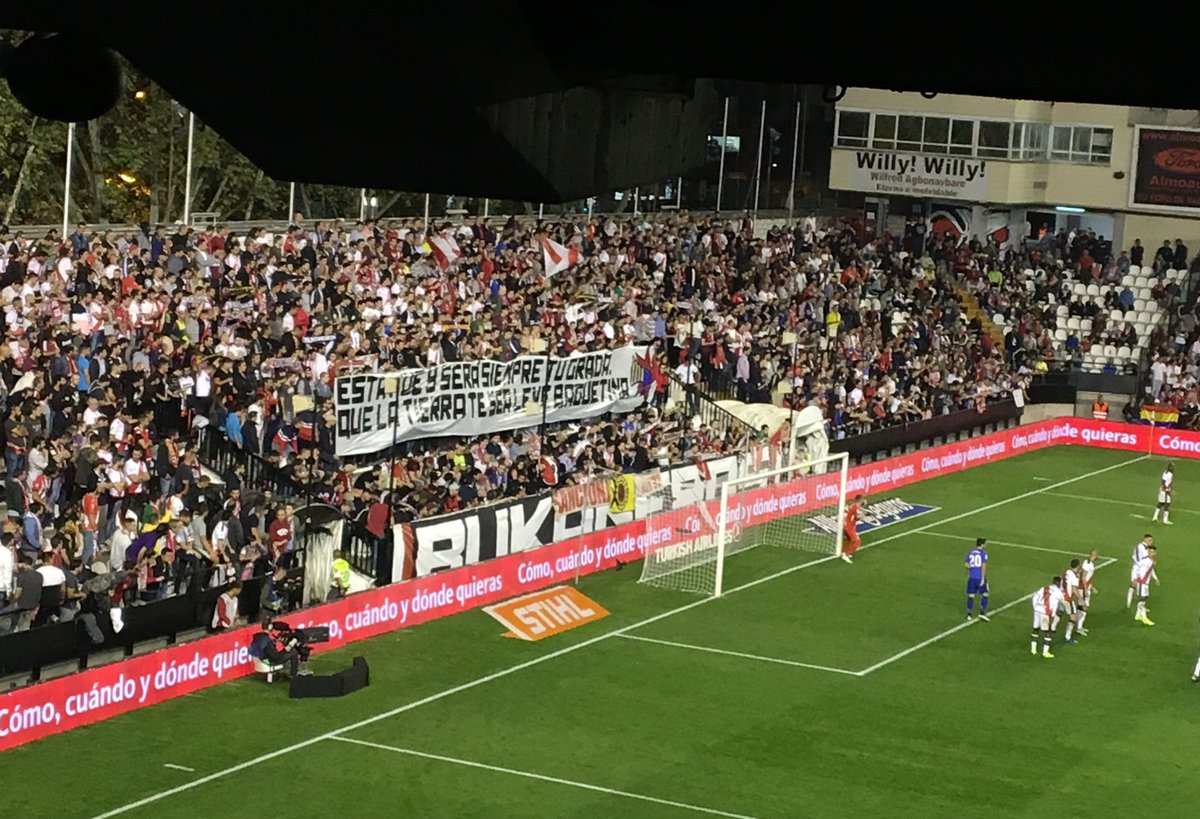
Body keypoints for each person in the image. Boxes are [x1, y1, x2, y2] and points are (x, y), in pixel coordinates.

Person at [1030, 577, 1064, 659]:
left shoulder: (1044, 588)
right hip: (1045, 612)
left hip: (1037, 609)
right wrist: (1052, 616)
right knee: (1048, 631)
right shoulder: (1058, 592)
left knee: (1036, 628)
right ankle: (1045, 652)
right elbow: (1055, 605)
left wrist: (1035, 607)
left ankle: (1033, 649)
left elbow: (1034, 598)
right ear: (1059, 583)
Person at [1132, 545, 1159, 626]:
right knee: (1142, 600)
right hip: (1141, 583)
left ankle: (1137, 615)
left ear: (1155, 553)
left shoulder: (1151, 561)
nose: (1151, 553)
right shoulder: (1144, 560)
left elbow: (1151, 570)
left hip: (1145, 583)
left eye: (1152, 552)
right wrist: (1134, 578)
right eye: (1149, 552)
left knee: (1144, 598)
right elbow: (1135, 567)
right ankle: (1144, 618)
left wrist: (1156, 578)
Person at [964, 537, 990, 621]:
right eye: (985, 543)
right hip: (979, 577)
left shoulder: (971, 552)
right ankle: (982, 612)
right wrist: (983, 578)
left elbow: (966, 564)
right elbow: (983, 566)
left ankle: (969, 614)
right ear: (982, 544)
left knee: (971, 595)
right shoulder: (983, 553)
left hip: (972, 577)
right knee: (985, 594)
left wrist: (971, 567)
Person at [1127, 534, 1153, 610]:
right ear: (1145, 539)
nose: (1151, 542)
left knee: (1142, 587)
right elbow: (1138, 559)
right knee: (1134, 584)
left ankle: (1141, 606)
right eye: (1149, 540)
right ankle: (1128, 603)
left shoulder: (1147, 548)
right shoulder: (1140, 547)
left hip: (1143, 569)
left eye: (1151, 540)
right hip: (1137, 568)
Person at [1077, 549, 1098, 637]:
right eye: (1096, 554)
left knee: (1081, 607)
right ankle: (1079, 627)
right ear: (1093, 555)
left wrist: (1091, 587)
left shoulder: (1089, 563)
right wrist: (1086, 589)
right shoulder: (1087, 564)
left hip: (1085, 588)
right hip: (1083, 589)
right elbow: (1083, 577)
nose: (1098, 555)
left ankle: (1079, 626)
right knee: (1084, 607)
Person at [1061, 559, 1082, 644]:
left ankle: (1051, 630)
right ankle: (1067, 637)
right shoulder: (1074, 576)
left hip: (1059, 597)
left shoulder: (1066, 572)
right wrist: (1080, 599)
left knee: (1058, 615)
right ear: (1078, 566)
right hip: (1067, 599)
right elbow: (1074, 589)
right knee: (1073, 618)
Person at [840, 494, 863, 564]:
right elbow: (857, 518)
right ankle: (846, 555)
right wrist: (862, 515)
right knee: (858, 542)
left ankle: (844, 553)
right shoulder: (855, 508)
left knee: (848, 539)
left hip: (847, 525)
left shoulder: (852, 505)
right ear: (860, 500)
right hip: (850, 527)